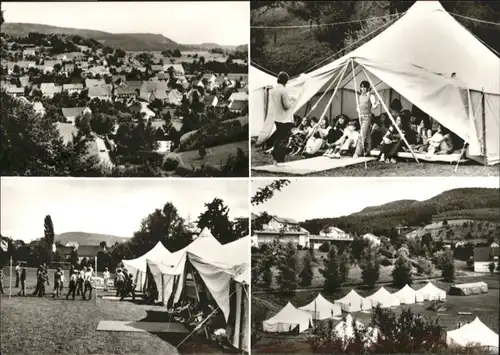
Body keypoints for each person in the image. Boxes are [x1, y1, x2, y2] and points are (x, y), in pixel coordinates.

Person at [268, 71, 296, 165]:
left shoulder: (273, 90)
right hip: (285, 118)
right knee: (284, 139)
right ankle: (279, 158)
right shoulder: (284, 90)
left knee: (279, 138)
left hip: (277, 117)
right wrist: (292, 101)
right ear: (286, 81)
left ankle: (276, 158)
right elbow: (286, 106)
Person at [354, 81, 379, 157]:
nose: (363, 88)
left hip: (367, 117)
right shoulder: (360, 96)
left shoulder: (371, 96)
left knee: (362, 134)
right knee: (367, 134)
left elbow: (374, 106)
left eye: (364, 87)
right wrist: (358, 109)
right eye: (361, 87)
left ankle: (357, 152)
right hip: (360, 116)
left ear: (368, 88)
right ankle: (368, 151)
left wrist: (377, 103)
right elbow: (358, 107)